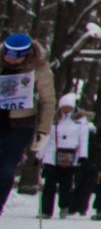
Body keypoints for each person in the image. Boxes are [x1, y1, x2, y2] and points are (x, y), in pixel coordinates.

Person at [0, 32, 57, 217]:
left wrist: (43, 130)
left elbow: (48, 101)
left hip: (20, 125)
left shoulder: (39, 68)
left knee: (6, 169)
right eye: (9, 55)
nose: (12, 60)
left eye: (18, 57)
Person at [35, 94, 89, 219]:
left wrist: (82, 155)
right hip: (52, 155)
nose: (66, 110)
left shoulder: (80, 121)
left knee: (66, 184)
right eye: (63, 107)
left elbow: (83, 140)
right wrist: (40, 155)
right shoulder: (54, 119)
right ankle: (46, 210)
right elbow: (47, 138)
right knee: (49, 184)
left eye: (68, 107)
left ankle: (64, 206)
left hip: (70, 156)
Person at [64, 103, 99, 216]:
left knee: (85, 185)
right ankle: (74, 206)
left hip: (89, 161)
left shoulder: (92, 130)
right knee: (78, 184)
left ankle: (80, 206)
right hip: (78, 160)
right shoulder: (75, 128)